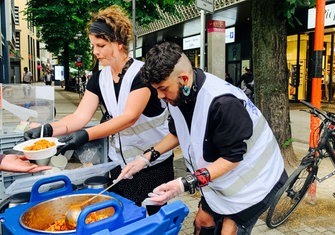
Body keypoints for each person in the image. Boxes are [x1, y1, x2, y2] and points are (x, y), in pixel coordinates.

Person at [118, 42, 288, 234]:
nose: (159, 96)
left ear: (183, 78)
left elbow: (232, 158)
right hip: (219, 180)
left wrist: (184, 183)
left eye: (163, 88)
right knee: (202, 222)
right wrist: (146, 158)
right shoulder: (180, 93)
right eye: (155, 89)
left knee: (228, 230)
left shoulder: (223, 104)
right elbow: (177, 133)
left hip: (254, 183)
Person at [23, 5, 174, 215]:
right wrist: (47, 131)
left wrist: (85, 135)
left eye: (101, 45)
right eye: (93, 45)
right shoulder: (99, 78)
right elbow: (80, 116)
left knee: (148, 220)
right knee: (121, 216)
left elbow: (129, 117)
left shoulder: (142, 75)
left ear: (119, 43)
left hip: (151, 164)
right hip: (118, 163)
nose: (95, 51)